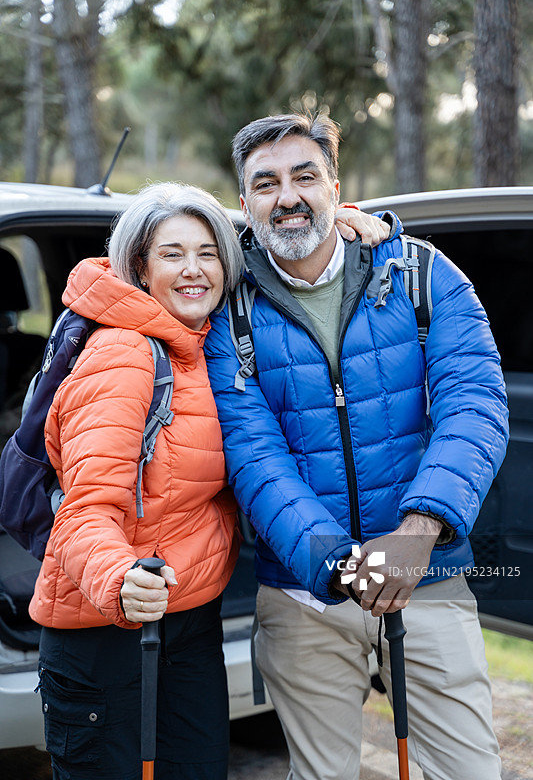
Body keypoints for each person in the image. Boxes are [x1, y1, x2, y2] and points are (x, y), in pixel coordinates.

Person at [28, 180, 384, 780]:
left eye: (208, 253)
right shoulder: (124, 355)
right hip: (108, 633)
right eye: (172, 255)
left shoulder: (200, 342)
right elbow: (85, 508)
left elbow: (279, 246)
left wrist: (333, 221)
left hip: (186, 624)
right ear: (139, 266)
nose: (194, 270)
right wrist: (118, 580)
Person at [205, 114, 509, 780]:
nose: (287, 196)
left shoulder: (426, 277)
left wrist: (416, 532)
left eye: (304, 176)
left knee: (470, 771)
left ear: (336, 189)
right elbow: (254, 458)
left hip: (427, 577)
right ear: (244, 205)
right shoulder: (226, 311)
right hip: (302, 594)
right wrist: (340, 566)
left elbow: (474, 408)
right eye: (265, 183)